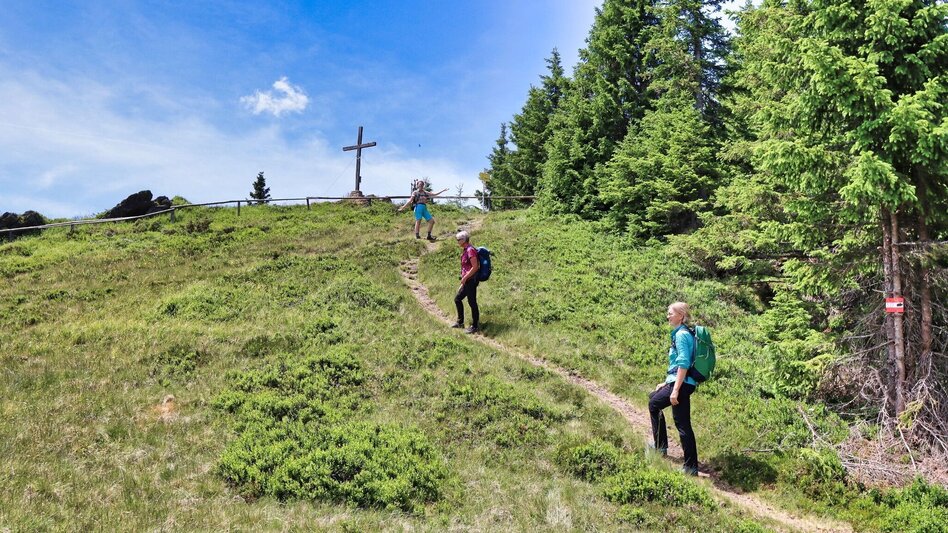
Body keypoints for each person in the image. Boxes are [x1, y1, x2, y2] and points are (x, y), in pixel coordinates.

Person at [648, 301, 699, 476]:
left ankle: (660, 447)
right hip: (685, 383)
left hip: (682, 384)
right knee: (683, 424)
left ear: (681, 316)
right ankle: (691, 467)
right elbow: (679, 365)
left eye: (671, 313)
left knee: (654, 403)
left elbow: (684, 363)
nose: (668, 316)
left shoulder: (681, 335)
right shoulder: (685, 334)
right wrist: (667, 382)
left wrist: (675, 389)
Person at [452, 230, 480, 334]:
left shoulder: (470, 250)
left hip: (471, 281)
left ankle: (475, 326)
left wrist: (465, 278)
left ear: (464, 240)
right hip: (467, 281)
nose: (457, 241)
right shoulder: (465, 250)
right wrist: (463, 280)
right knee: (457, 299)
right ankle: (460, 322)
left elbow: (475, 267)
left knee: (472, 302)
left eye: (458, 239)